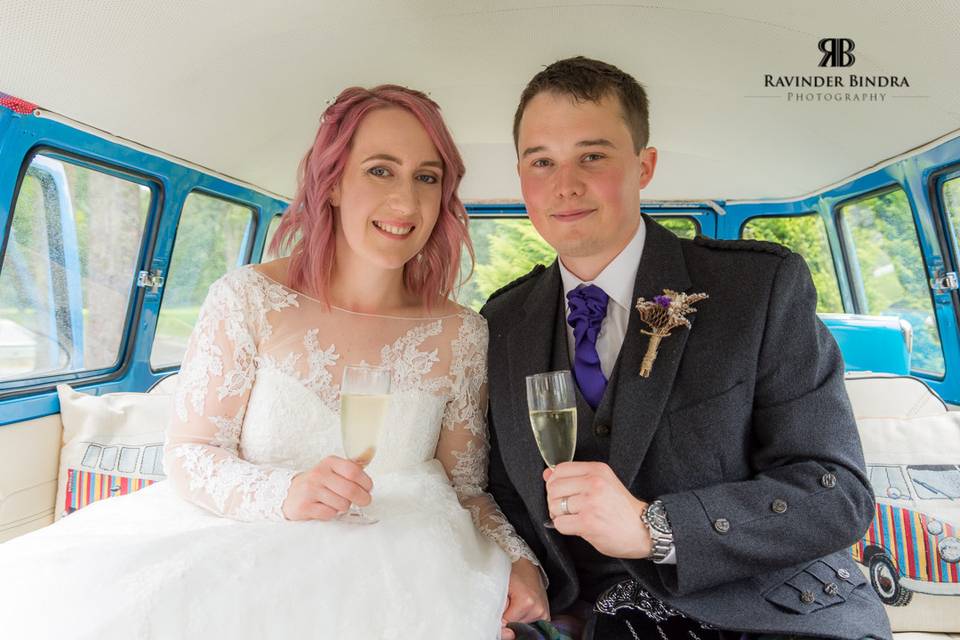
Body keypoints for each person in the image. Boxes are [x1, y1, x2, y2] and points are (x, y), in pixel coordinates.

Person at [0, 85, 548, 639]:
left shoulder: (462, 332)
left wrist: (518, 558)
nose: (406, 203)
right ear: (331, 183)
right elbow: (190, 454)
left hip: (408, 571)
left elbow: (467, 487)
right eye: (381, 171)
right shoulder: (248, 299)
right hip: (243, 551)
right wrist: (283, 493)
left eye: (426, 177)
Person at [482, 57, 892, 640]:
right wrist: (516, 570)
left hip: (774, 615)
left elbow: (837, 494)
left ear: (644, 166)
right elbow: (501, 495)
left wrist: (656, 528)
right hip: (593, 620)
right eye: (541, 161)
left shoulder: (758, 290)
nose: (564, 185)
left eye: (592, 156)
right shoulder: (502, 322)